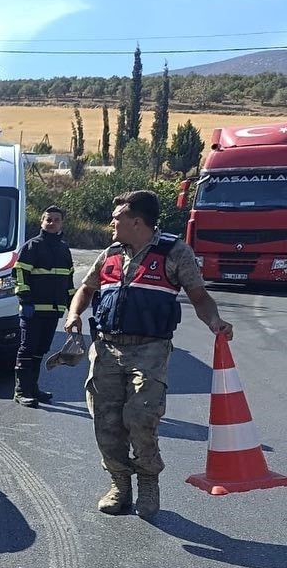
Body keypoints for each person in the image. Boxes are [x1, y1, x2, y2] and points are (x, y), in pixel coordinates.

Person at [65, 190, 233, 520]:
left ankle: (148, 482)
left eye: (117, 217)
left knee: (142, 418)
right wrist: (74, 314)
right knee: (106, 422)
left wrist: (215, 321)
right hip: (107, 348)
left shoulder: (174, 252)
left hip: (150, 350)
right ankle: (119, 485)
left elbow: (199, 296)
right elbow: (86, 289)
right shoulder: (111, 253)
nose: (112, 222)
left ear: (137, 221)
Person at [12, 205, 75, 407]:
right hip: (33, 310)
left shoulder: (64, 249)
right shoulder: (32, 246)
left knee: (41, 350)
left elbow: (69, 280)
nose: (52, 223)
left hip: (53, 311)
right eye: (48, 219)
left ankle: (33, 388)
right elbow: (20, 274)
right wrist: (25, 300)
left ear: (61, 223)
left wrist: (73, 308)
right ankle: (21, 391)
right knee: (27, 349)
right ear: (42, 222)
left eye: (56, 219)